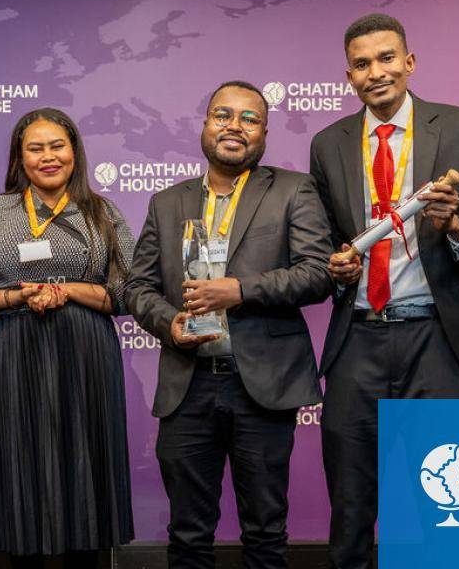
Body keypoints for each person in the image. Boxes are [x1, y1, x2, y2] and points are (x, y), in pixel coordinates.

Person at [309, 13, 459, 568]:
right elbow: (327, 241)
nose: (376, 72)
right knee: (350, 509)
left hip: (439, 343)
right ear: (348, 75)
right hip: (358, 340)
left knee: (446, 505)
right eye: (361, 63)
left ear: (409, 62)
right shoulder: (328, 144)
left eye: (387, 58)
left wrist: (453, 228)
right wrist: (337, 268)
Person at [125, 81, 333, 569]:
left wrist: (240, 289)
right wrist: (168, 321)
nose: (234, 126)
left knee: (264, 533)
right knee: (188, 535)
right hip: (187, 383)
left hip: (260, 384)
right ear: (205, 125)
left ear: (264, 133)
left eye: (249, 118)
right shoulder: (167, 201)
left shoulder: (292, 189)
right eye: (223, 115)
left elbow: (317, 273)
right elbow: (137, 287)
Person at [0, 108, 136, 566]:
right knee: (21, 474)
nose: (48, 157)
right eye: (35, 148)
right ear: (19, 157)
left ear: (74, 152)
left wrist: (66, 290)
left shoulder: (101, 211)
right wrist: (20, 296)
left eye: (57, 146)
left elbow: (127, 291)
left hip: (86, 354)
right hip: (15, 354)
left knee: (85, 471)